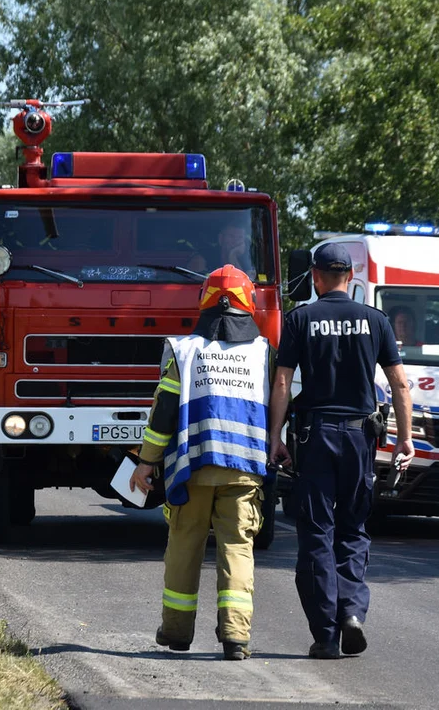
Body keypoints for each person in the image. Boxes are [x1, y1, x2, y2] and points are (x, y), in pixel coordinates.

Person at [268, 244, 414, 660]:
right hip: (359, 439)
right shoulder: (376, 321)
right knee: (353, 529)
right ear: (351, 277)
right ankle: (351, 612)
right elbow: (400, 384)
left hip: (315, 438)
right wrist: (404, 439)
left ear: (316, 277)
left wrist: (275, 437)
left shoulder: (300, 319)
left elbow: (282, 384)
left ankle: (326, 635)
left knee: (317, 532)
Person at [130, 264, 272, 662]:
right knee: (237, 550)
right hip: (244, 468)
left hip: (192, 468)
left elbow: (164, 414)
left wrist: (146, 463)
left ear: (204, 303)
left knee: (184, 545)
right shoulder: (264, 353)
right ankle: (235, 637)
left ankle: (176, 632)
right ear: (249, 304)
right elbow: (279, 407)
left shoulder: (183, 350)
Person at [187, 224, 254, 276]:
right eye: (231, 236)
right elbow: (194, 284)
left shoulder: (249, 260)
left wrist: (232, 255)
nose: (235, 241)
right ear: (221, 238)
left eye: (240, 237)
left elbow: (242, 284)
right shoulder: (203, 257)